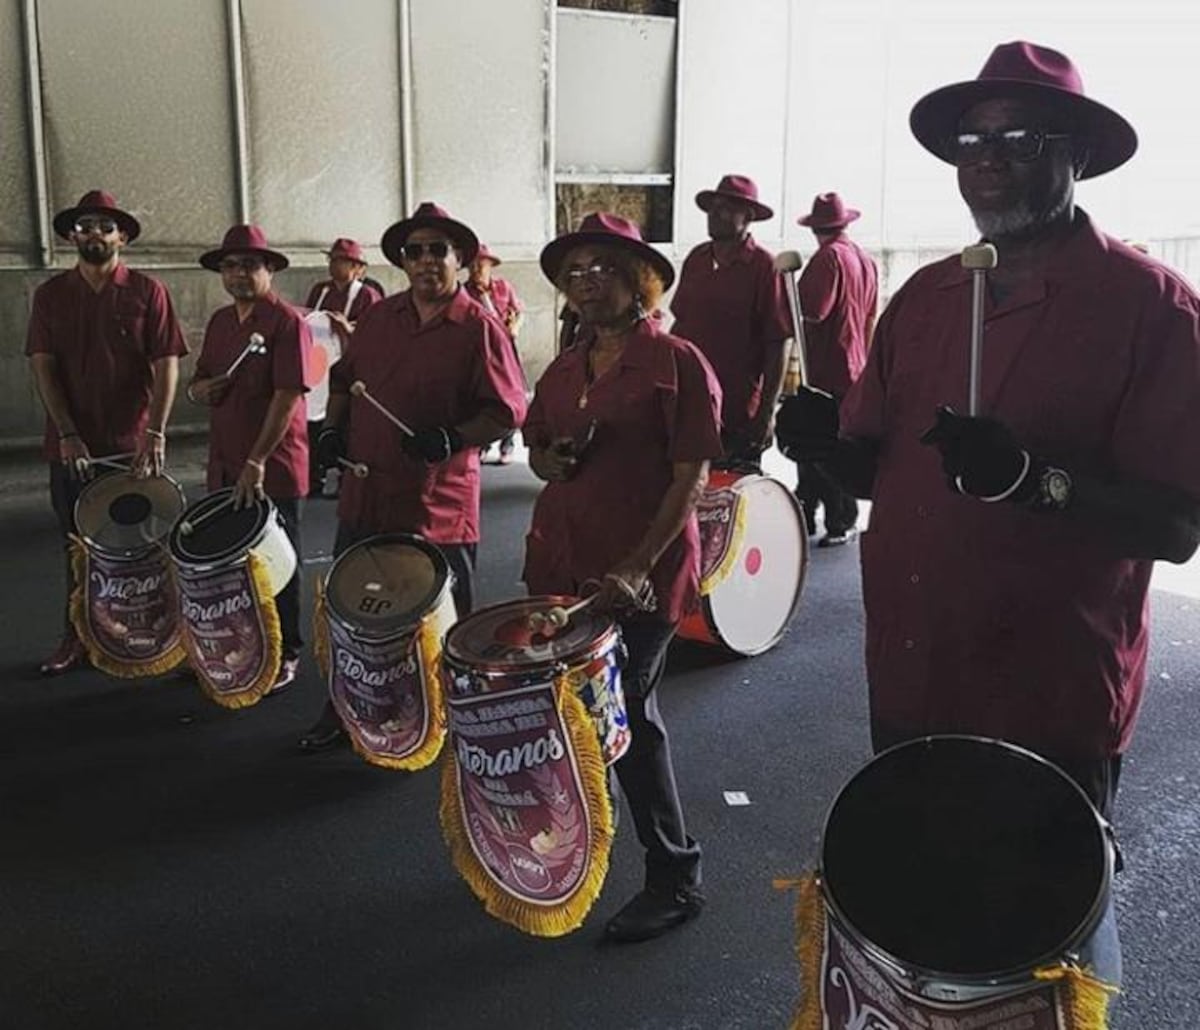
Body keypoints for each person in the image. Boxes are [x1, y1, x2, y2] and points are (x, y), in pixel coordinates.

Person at [776, 41, 1200, 985]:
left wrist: (1031, 482)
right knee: (929, 917)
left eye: (1025, 136)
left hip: (1047, 692)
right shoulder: (928, 297)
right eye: (975, 138)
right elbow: (882, 474)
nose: (992, 156)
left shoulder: (1152, 308)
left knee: (1047, 934)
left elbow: (1176, 527)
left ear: (1077, 155)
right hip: (916, 670)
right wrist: (821, 447)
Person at [525, 213, 723, 943]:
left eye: (603, 267)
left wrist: (637, 563)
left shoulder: (677, 361)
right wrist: (549, 459)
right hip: (562, 565)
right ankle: (581, 842)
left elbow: (692, 474)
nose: (585, 281)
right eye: (574, 271)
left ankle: (676, 876)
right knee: (567, 713)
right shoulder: (566, 364)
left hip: (639, 576)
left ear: (640, 282)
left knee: (629, 716)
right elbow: (536, 437)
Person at [300, 202, 528, 752]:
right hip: (368, 489)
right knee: (355, 604)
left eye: (438, 250)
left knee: (444, 613)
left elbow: (509, 409)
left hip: (438, 500)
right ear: (403, 261)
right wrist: (332, 432)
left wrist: (451, 437)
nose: (426, 260)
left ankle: (457, 710)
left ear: (459, 259)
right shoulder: (381, 317)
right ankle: (346, 706)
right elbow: (343, 380)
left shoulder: (479, 327)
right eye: (414, 251)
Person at [25, 189, 188, 676]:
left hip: (132, 448)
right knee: (78, 547)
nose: (94, 232)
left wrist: (155, 433)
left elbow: (167, 366)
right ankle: (77, 635)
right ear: (72, 236)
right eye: (85, 225)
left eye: (105, 225)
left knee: (144, 546)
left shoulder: (147, 291)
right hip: (73, 448)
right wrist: (68, 433)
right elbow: (43, 367)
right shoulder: (51, 296)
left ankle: (153, 634)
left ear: (123, 238)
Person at [187, 224, 312, 693]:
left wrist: (257, 459)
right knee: (227, 562)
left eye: (250, 265)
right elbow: (198, 381)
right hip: (224, 461)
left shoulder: (287, 323)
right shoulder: (221, 322)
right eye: (231, 266)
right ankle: (242, 645)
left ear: (270, 270)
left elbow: (287, 397)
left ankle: (287, 651)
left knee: (277, 561)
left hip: (270, 467)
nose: (240, 274)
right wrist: (201, 391)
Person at [670, 174, 791, 465]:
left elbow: (778, 343)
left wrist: (766, 413)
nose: (714, 216)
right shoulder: (697, 259)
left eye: (725, 209)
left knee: (735, 497)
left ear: (747, 216)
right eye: (712, 208)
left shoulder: (765, 267)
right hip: (690, 403)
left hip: (738, 411)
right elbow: (680, 326)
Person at [792, 192, 878, 546]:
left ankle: (830, 518)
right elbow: (871, 315)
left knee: (813, 444)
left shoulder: (827, 259)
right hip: (855, 366)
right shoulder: (865, 259)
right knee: (835, 444)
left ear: (816, 228)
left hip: (826, 367)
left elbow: (814, 310)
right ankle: (823, 516)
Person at [304, 238, 383, 496]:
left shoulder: (367, 295)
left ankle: (347, 476)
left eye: (342, 261)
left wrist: (347, 328)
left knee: (348, 421)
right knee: (314, 418)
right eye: (333, 260)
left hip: (351, 364)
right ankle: (314, 476)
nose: (335, 265)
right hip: (319, 363)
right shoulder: (320, 291)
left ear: (358, 268)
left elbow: (376, 333)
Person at [464, 243, 525, 464]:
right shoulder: (464, 293)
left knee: (509, 395)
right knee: (484, 397)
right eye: (472, 266)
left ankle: (507, 445)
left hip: (506, 350)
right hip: (482, 353)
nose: (476, 270)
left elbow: (518, 312)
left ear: (491, 267)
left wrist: (514, 327)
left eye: (481, 265)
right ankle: (483, 442)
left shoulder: (503, 288)